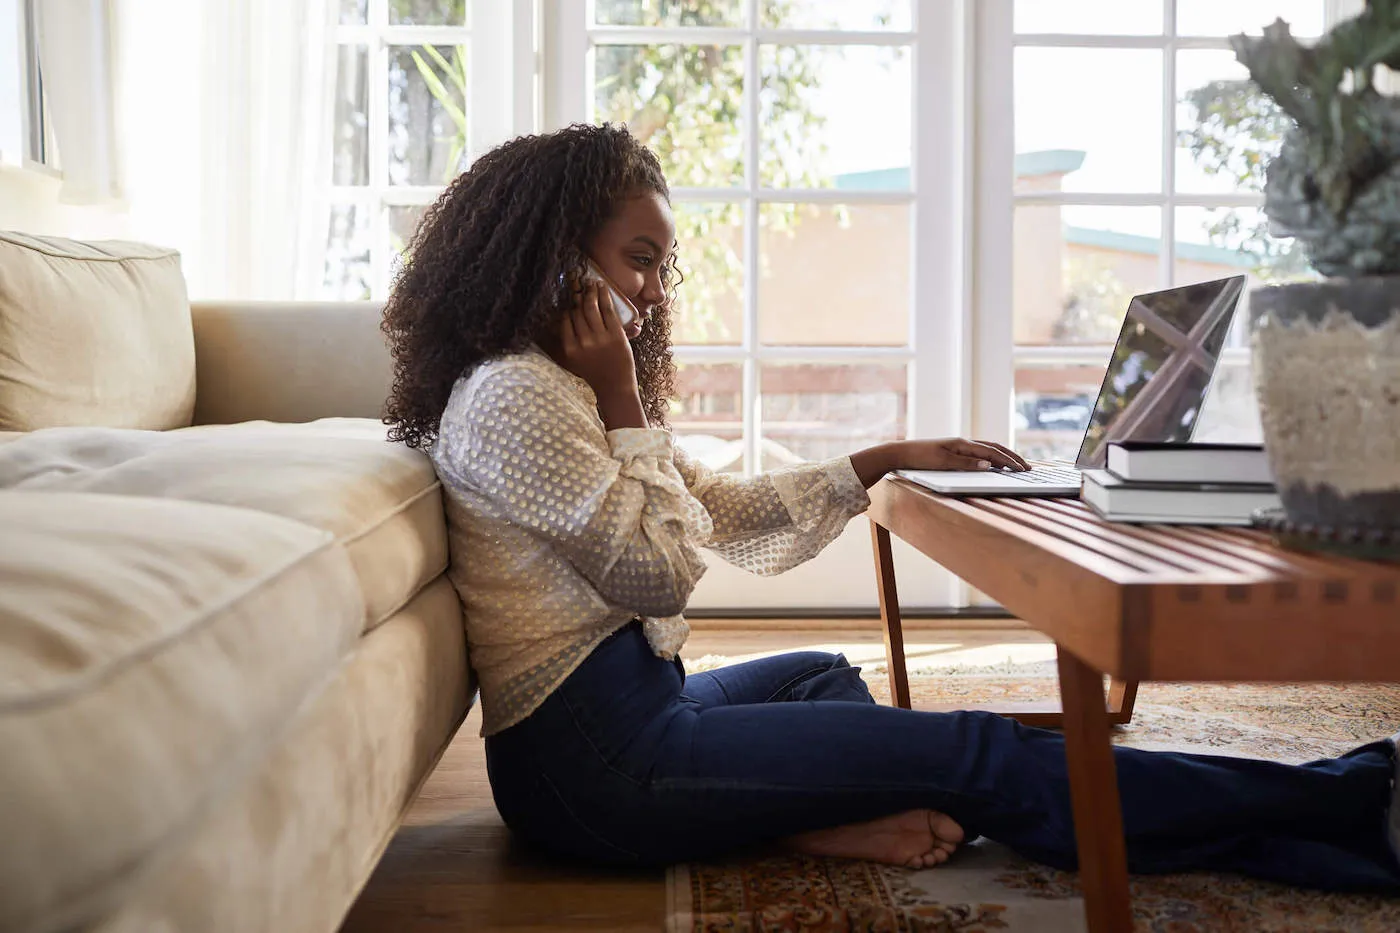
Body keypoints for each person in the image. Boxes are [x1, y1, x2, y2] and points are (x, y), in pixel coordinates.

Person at [381, 122, 1400, 890]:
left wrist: (873, 461)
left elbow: (717, 510)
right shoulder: (520, 397)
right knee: (973, 754)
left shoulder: (554, 386)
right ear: (553, 256)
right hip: (592, 767)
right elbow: (660, 569)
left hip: (636, 709)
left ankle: (792, 817)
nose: (650, 294)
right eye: (636, 261)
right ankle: (1348, 805)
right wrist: (620, 399)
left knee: (823, 672)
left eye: (658, 265)